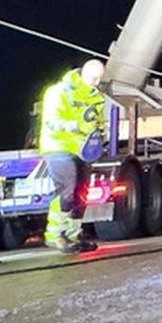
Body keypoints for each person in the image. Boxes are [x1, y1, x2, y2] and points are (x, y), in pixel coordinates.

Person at [39, 59, 107, 254]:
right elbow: (52, 121)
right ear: (84, 73)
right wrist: (78, 126)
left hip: (82, 150)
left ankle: (74, 235)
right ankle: (54, 235)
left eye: (99, 79)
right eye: (94, 78)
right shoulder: (59, 92)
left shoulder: (97, 97)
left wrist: (100, 133)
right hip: (58, 146)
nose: (96, 83)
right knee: (66, 190)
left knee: (81, 192)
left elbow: (97, 121)